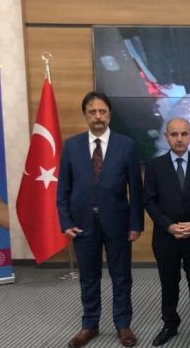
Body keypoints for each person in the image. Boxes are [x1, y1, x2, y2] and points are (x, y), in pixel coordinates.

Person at [57, 91, 143, 348]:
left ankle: (123, 325)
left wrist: (136, 224)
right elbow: (63, 189)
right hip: (82, 224)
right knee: (88, 277)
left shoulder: (126, 145)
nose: (98, 116)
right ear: (85, 115)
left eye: (102, 111)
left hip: (118, 223)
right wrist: (65, 221)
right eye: (92, 112)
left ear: (110, 115)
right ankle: (89, 325)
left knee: (121, 276)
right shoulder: (71, 146)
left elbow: (136, 190)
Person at [143, 118, 190, 346]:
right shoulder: (155, 166)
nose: (179, 139)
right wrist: (168, 226)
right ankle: (170, 323)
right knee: (168, 282)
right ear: (166, 137)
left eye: (184, 134)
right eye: (174, 134)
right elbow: (149, 201)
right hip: (166, 237)